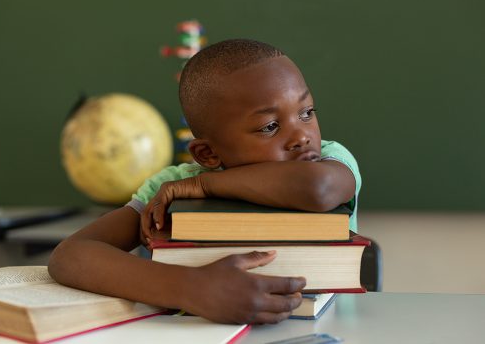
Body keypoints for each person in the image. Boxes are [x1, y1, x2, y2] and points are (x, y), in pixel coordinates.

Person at [48, 39, 361, 325]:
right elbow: (70, 256)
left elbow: (318, 190)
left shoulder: (330, 159)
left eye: (307, 112)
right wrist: (190, 288)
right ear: (208, 154)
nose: (302, 136)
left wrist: (207, 186)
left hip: (334, 327)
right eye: (270, 126)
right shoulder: (172, 185)